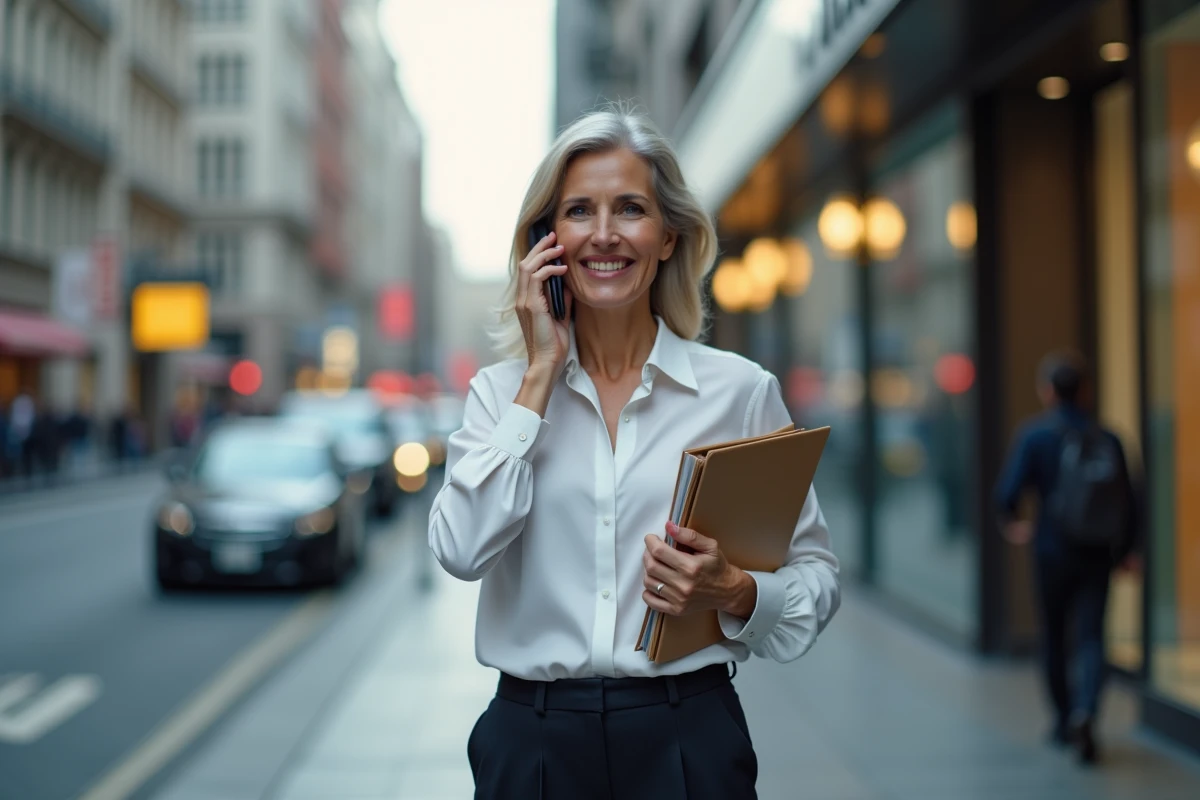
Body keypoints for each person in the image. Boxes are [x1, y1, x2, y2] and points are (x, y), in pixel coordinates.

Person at [428, 105, 840, 799]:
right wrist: (538, 377)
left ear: (669, 236)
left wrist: (734, 590)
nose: (605, 234)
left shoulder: (739, 392)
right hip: (532, 745)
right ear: (547, 241)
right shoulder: (500, 396)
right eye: (579, 211)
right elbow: (460, 551)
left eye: (630, 208)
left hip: (688, 737)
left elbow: (816, 578)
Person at [994, 351, 1138, 765]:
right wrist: (1127, 551)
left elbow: (1007, 495)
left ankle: (1062, 720)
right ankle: (1087, 710)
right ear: (1086, 391)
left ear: (1047, 392)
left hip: (1052, 551)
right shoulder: (1108, 438)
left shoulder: (1036, 436)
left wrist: (1014, 524)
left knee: (1055, 636)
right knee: (1092, 636)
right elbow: (1130, 501)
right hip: (1098, 553)